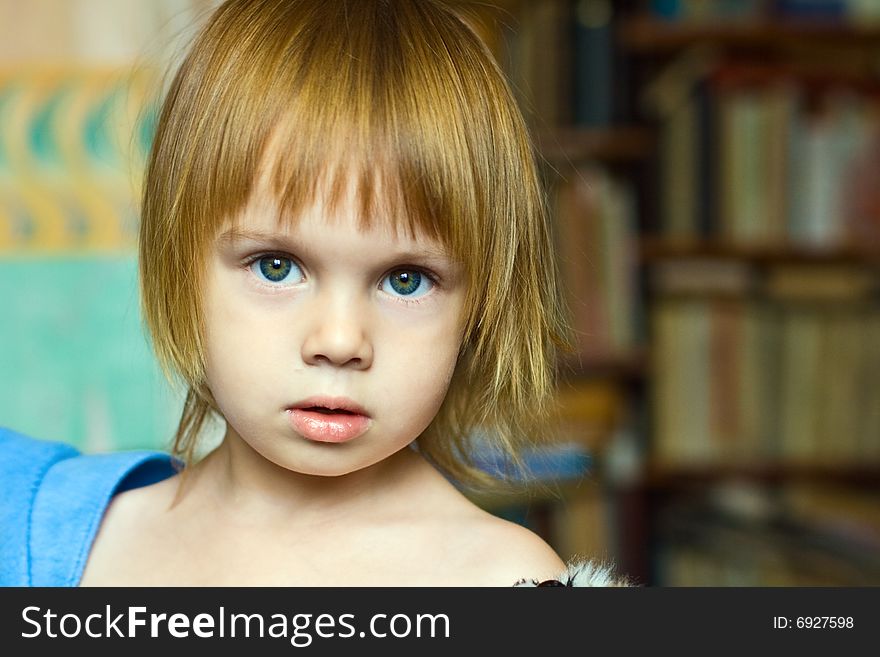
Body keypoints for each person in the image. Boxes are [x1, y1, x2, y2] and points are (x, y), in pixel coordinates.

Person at [0, 0, 629, 587]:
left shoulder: (498, 579)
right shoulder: (55, 540)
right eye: (275, 266)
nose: (339, 340)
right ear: (180, 269)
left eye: (404, 280)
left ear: (479, 307)